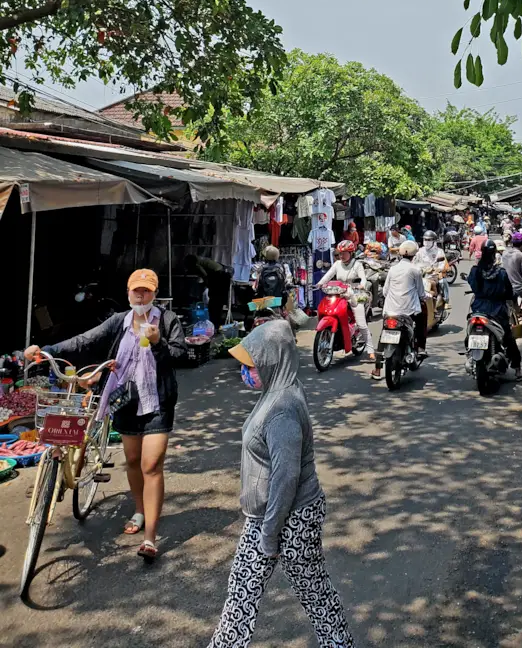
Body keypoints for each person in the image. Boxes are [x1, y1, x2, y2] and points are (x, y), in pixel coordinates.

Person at [209, 321, 355, 648]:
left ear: (272, 362)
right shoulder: (278, 390)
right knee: (242, 594)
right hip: (268, 515)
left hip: (288, 518)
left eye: (251, 365)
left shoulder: (282, 408)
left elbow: (286, 478)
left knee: (312, 591)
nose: (246, 371)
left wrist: (269, 535)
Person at [24, 269, 185, 562]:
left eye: (146, 291)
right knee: (133, 461)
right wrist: (45, 350)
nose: (140, 295)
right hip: (124, 400)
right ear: (128, 292)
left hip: (157, 402)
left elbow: (181, 355)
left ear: (154, 294)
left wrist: (159, 341)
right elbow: (84, 341)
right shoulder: (119, 322)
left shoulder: (168, 320)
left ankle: (150, 537)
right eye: (136, 290)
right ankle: (139, 510)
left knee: (152, 465)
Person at [467, 240, 522, 381]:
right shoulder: (501, 273)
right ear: (494, 255)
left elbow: (471, 283)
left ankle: (469, 353)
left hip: (478, 308)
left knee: (469, 332)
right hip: (497, 311)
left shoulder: (475, 271)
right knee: (508, 338)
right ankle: (517, 370)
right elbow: (509, 293)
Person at [371, 240, 427, 381]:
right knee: (423, 315)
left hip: (390, 310)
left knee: (383, 334)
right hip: (408, 312)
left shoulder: (392, 269)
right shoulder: (415, 270)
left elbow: (385, 291)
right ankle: (420, 347)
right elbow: (421, 293)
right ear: (414, 255)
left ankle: (377, 369)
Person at [316, 241, 375, 360]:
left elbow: (363, 278)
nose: (341, 256)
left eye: (344, 253)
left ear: (351, 253)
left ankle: (371, 350)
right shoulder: (337, 264)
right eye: (340, 253)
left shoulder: (357, 264)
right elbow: (328, 275)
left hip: (354, 294)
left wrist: (361, 285)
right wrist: (319, 284)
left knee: (361, 323)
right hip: (338, 293)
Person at [184, 253, 232, 328]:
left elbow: (205, 275)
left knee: (215, 302)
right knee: (217, 302)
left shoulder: (197, 264)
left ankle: (215, 324)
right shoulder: (201, 259)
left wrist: (207, 285)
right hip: (223, 275)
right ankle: (216, 323)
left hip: (220, 276)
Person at [414, 230, 449, 303]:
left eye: (429, 240)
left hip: (434, 275)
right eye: (425, 239)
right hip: (422, 275)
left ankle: (446, 300)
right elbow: (414, 263)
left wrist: (437, 270)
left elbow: (442, 264)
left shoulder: (439, 251)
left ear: (434, 241)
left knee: (443, 282)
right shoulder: (419, 251)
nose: (426, 241)